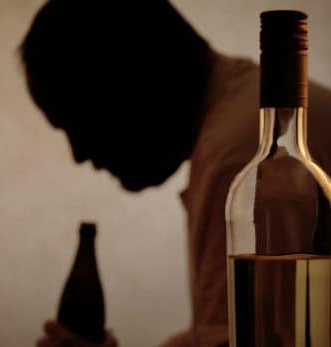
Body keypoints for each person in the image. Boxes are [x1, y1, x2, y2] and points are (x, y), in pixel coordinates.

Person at [20, 1, 331, 346]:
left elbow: (250, 342)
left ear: (127, 77)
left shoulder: (244, 152)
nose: (79, 154)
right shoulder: (241, 117)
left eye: (77, 123)